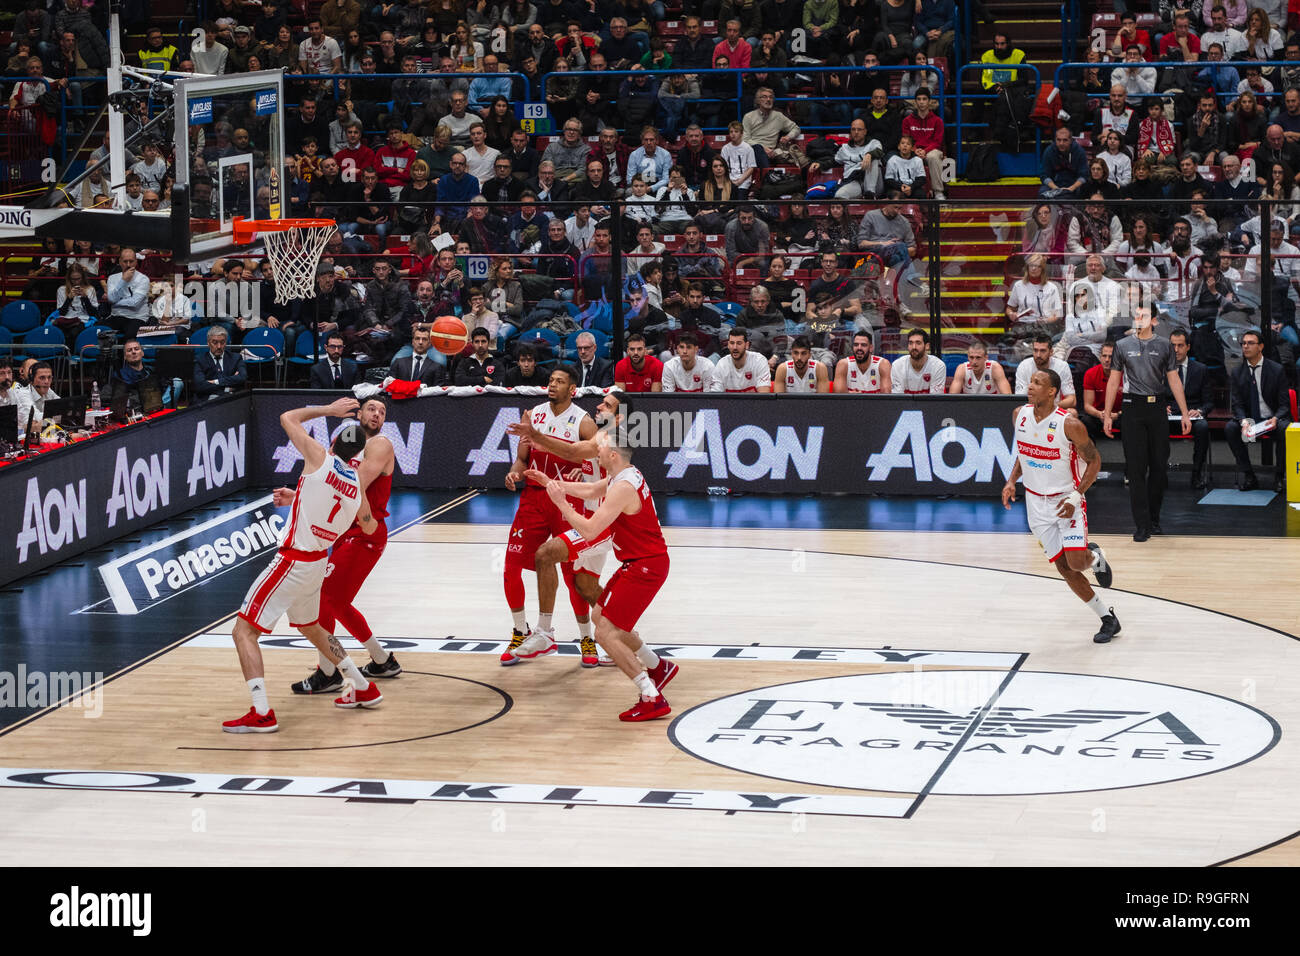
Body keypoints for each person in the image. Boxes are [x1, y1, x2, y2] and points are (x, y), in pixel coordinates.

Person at [223, 398, 380, 733]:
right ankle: (363, 685)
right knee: (313, 629)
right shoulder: (355, 486)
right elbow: (369, 526)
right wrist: (306, 499)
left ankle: (261, 711)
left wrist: (329, 410)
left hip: (293, 559)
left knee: (243, 630)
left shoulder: (319, 458)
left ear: (334, 442)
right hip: (317, 564)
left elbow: (287, 417)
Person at [535, 428, 677, 721]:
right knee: (601, 617)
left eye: (600, 446)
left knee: (604, 633)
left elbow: (590, 530)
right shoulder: (623, 474)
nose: (595, 450)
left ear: (613, 454)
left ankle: (651, 696)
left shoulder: (624, 486)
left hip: (646, 566)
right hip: (638, 562)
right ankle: (657, 666)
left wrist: (560, 503)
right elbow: (589, 491)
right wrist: (553, 484)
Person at [284, 396, 402, 694]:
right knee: (337, 601)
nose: (377, 415)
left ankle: (328, 672)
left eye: (382, 412)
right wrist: (298, 494)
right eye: (372, 408)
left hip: (365, 533)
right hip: (343, 531)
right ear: (359, 412)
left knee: (326, 597)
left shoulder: (381, 444)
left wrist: (365, 520)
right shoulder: (348, 438)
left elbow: (354, 484)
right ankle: (382, 660)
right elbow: (329, 479)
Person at [506, 390, 624, 668]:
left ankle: (545, 632)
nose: (599, 405)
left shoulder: (611, 439)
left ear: (619, 418)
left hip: (606, 524)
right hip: (600, 517)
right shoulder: (601, 437)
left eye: (606, 404)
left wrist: (536, 437)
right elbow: (586, 466)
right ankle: (627, 641)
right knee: (584, 584)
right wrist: (559, 478)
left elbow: (573, 451)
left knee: (546, 555)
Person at [1001, 369, 1119, 644]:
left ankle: (1095, 557)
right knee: (1065, 569)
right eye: (1030, 382)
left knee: (1077, 563)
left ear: (1052, 391)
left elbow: (1095, 461)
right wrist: (1010, 481)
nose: (1030, 386)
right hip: (1035, 505)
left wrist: (1076, 497)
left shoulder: (1070, 425)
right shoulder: (1019, 415)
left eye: (1037, 383)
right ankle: (1107, 618)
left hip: (1066, 501)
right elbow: (1024, 452)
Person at [499, 365, 601, 665]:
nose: (552, 385)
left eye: (560, 382)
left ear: (573, 389)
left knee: (573, 575)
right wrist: (514, 473)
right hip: (533, 498)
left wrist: (580, 474)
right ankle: (521, 631)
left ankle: (586, 638)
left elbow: (594, 460)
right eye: (551, 380)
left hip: (566, 501)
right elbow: (522, 457)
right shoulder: (533, 415)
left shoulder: (583, 421)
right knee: (510, 567)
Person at [1103, 307, 1192, 542]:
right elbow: (1114, 381)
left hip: (1157, 407)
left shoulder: (1164, 345)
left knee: (1159, 467)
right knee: (1136, 468)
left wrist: (1184, 413)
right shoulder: (1122, 345)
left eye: (1143, 316)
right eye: (1136, 315)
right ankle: (1141, 524)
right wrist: (1107, 414)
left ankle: (1154, 518)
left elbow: (1173, 378)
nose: (1139, 320)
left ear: (1153, 320)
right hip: (1133, 409)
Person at [1223, 329, 1291, 491]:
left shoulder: (1276, 370)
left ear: (1260, 347)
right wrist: (1243, 420)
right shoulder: (1238, 372)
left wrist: (1275, 418)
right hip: (1251, 420)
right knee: (1231, 428)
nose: (1245, 347)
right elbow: (1237, 404)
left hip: (1272, 419)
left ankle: (1279, 476)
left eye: (1250, 343)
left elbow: (1284, 404)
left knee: (1284, 428)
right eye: (1243, 343)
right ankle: (1249, 475)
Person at [1165, 328, 1215, 490]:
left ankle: (1197, 472)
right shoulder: (1161, 369)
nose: (1176, 350)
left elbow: (1209, 402)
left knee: (1203, 427)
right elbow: (1155, 395)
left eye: (1180, 345)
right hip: (1169, 415)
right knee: (1154, 424)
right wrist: (1160, 407)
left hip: (1192, 415)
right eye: (1173, 345)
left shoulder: (1201, 369)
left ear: (1188, 347)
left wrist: (1200, 411)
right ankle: (1159, 473)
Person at [1015, 332, 1076, 408]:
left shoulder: (1062, 366)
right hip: (1030, 409)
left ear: (1051, 352)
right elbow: (1019, 399)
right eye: (1035, 350)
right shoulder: (1023, 366)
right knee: (1017, 411)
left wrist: (1049, 408)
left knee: (1072, 412)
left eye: (1042, 351)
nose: (1038, 355)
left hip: (1054, 408)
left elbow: (1072, 400)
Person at [193, 326, 248, 400]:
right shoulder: (200, 360)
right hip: (207, 402)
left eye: (222, 342)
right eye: (215, 342)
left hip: (232, 401)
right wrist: (227, 388)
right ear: (208, 343)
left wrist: (216, 381)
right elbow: (200, 385)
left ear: (226, 343)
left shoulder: (236, 358)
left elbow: (242, 377)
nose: (219, 346)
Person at [1080, 340, 1119, 443]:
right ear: (1100, 357)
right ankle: (1090, 453)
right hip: (1099, 415)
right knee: (1085, 420)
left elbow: (1131, 403)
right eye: (1104, 356)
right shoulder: (1090, 374)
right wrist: (1100, 414)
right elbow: (1087, 406)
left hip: (1118, 415)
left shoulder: (1126, 374)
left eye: (1110, 357)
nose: (1107, 360)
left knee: (1132, 418)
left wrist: (1117, 415)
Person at [713, 327, 772, 392]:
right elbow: (715, 397)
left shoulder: (759, 361)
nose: (735, 347)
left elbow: (763, 397)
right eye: (732, 343)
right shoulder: (722, 365)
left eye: (739, 343)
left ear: (747, 345)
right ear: (728, 345)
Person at [892, 328, 947, 394]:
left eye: (918, 343)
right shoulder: (897, 365)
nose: (914, 347)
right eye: (910, 343)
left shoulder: (938, 366)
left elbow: (934, 400)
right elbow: (898, 399)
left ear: (927, 346)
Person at [14, 361, 58, 431]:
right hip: (22, 436)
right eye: (42, 378)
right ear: (31, 379)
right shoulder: (23, 394)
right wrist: (57, 418)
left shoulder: (48, 390)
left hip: (44, 432)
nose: (47, 381)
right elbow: (38, 417)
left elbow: (62, 408)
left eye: (49, 377)